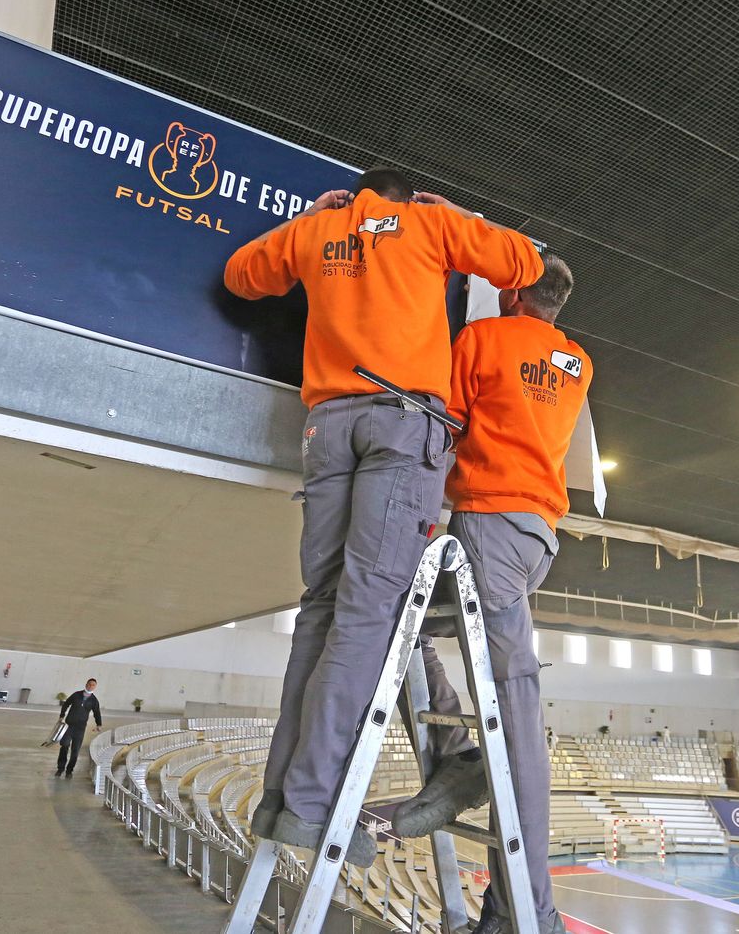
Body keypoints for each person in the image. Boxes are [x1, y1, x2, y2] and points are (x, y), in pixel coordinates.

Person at [224, 168, 543, 867]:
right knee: (368, 613)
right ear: (408, 199)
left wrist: (308, 218)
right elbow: (526, 264)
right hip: (401, 425)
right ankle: (313, 804)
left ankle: (282, 799)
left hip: (328, 428)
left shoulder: (318, 231)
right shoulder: (430, 224)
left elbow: (241, 276)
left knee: (321, 607)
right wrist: (455, 210)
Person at [388, 256, 588, 934]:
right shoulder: (576, 363)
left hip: (491, 523)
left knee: (516, 712)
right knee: (396, 620)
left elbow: (443, 425)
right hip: (538, 537)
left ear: (512, 293)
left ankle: (525, 914)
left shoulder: (483, 339)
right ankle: (460, 762)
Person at [55, 678, 102, 778]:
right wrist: (62, 715)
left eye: (93, 685)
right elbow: (66, 704)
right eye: (89, 684)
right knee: (64, 745)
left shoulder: (94, 700)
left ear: (95, 687)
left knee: (75, 750)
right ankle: (60, 768)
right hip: (69, 726)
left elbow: (97, 712)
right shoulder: (76, 695)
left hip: (80, 728)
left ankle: (69, 771)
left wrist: (99, 724)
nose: (91, 686)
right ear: (86, 684)